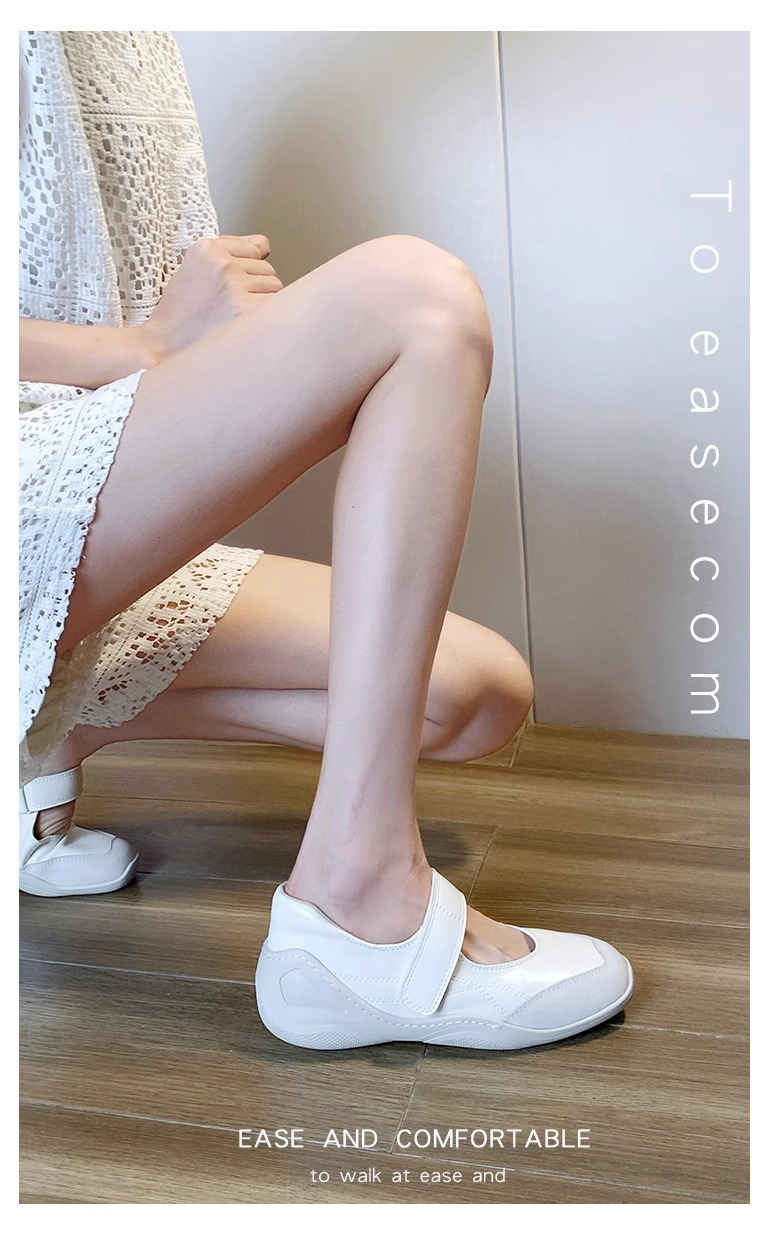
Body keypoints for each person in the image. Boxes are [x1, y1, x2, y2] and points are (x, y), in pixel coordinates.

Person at [19, 30, 633, 1051]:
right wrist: (143, 346)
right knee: (416, 302)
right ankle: (357, 906)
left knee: (474, 697)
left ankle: (45, 732)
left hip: (71, 464)